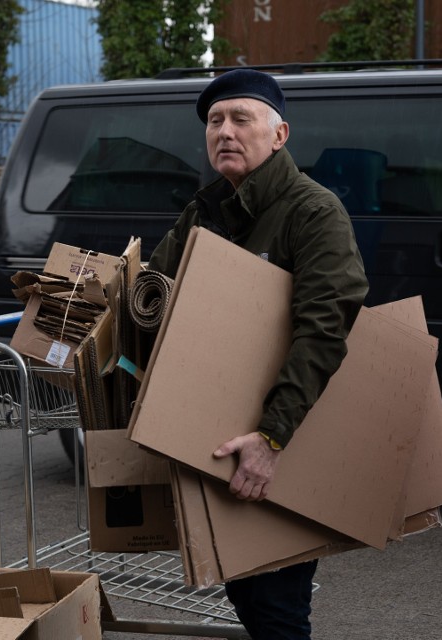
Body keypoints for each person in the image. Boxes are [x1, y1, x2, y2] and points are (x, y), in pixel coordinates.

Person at [148, 69, 368, 640]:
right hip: (218, 439)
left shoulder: (312, 212)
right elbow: (151, 292)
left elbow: (323, 330)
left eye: (241, 118)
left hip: (277, 444)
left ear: (279, 134)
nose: (225, 131)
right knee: (250, 603)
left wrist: (271, 439)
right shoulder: (204, 212)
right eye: (215, 122)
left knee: (276, 612)